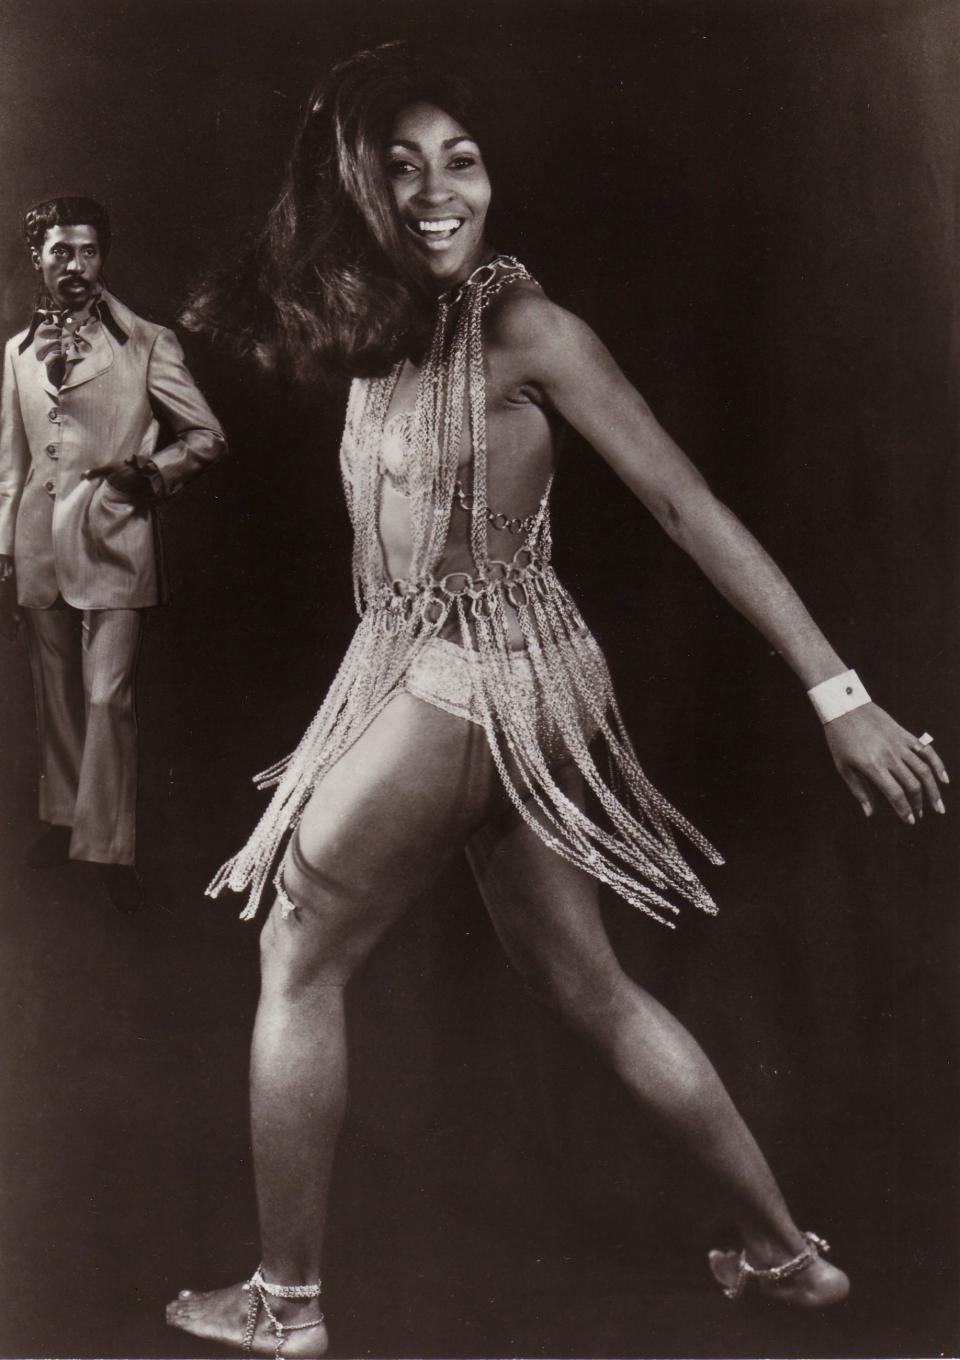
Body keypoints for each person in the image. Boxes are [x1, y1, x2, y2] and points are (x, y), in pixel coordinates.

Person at [165, 44, 947, 1357]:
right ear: (351, 185)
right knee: (588, 989)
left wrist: (839, 692)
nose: (438, 189)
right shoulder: (381, 327)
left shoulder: (525, 327)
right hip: (474, 690)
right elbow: (404, 582)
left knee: (296, 953)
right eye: (403, 165)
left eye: (461, 158)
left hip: (486, 694)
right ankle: (786, 1259)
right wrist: (341, 741)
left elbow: (686, 503)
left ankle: (283, 1302)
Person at [0, 197, 227, 913]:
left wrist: (152, 473)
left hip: (116, 540)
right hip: (39, 545)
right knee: (56, 694)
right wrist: (4, 548)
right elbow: (10, 464)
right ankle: (65, 815)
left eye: (88, 252)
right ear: (38, 257)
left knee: (107, 697)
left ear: (103, 258)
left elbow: (205, 436)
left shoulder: (147, 343)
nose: (76, 266)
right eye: (62, 252)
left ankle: (104, 846)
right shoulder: (14, 351)